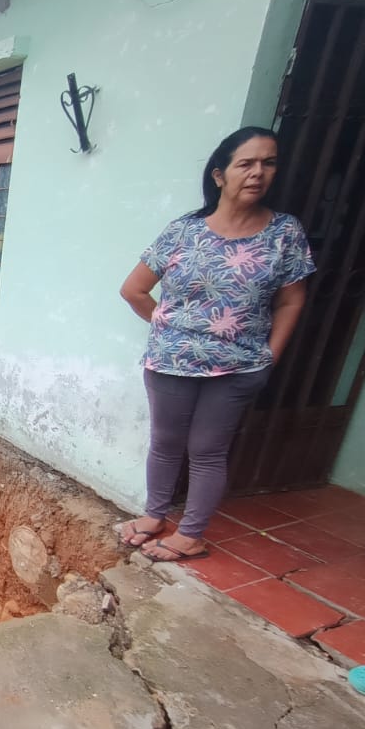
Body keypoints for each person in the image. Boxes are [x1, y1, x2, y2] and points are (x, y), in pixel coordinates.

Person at [117, 126, 315, 562]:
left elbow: (291, 301)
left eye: (269, 162)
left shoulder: (285, 234)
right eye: (246, 163)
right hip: (170, 361)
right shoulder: (183, 232)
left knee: (207, 450)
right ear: (220, 175)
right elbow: (133, 289)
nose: (258, 173)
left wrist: (271, 355)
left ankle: (190, 535)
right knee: (165, 443)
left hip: (239, 366)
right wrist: (169, 324)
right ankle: (154, 516)